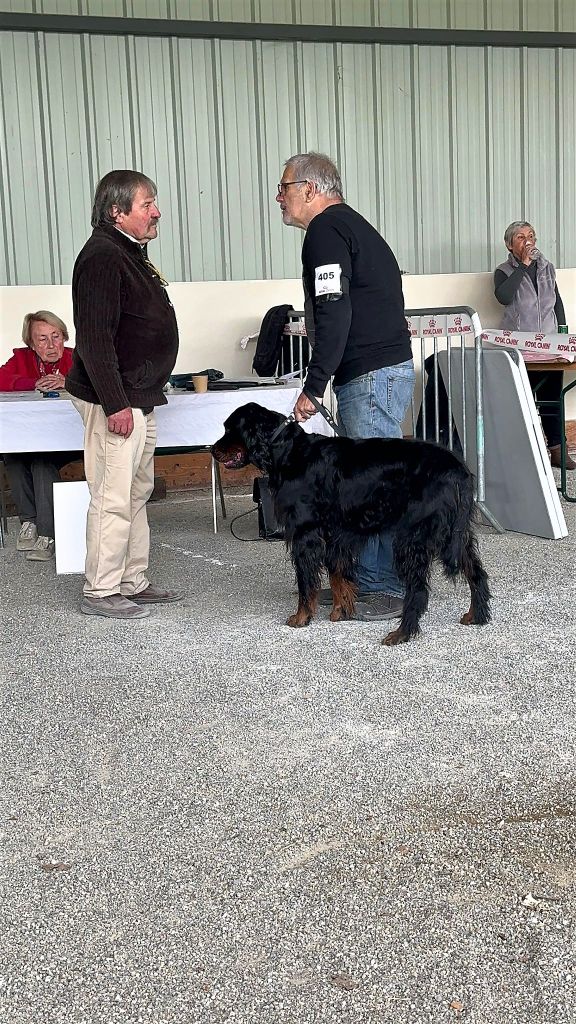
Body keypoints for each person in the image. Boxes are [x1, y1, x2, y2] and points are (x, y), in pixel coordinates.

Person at [276, 152, 415, 621]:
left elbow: (334, 310)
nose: (279, 197)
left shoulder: (326, 232)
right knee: (375, 481)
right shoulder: (353, 226)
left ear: (311, 189)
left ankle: (380, 586)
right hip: (381, 371)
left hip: (371, 376)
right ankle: (378, 581)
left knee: (369, 488)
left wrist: (313, 387)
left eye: (285, 187)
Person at [66, 169, 182, 619]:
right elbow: (94, 340)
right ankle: (101, 591)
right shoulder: (102, 257)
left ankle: (131, 580)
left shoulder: (128, 252)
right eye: (147, 204)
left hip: (138, 396)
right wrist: (115, 403)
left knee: (136, 492)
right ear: (117, 212)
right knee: (113, 494)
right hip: (115, 400)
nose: (157, 212)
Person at [494, 221, 575, 470]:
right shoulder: (503, 271)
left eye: (531, 236)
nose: (528, 241)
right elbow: (503, 297)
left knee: (553, 398)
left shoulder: (547, 268)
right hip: (521, 348)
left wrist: (562, 332)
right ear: (510, 244)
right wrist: (524, 266)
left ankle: (557, 450)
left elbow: (556, 301)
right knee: (523, 400)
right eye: (521, 237)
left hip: (549, 345)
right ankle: (526, 453)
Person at [0, 311, 79, 561]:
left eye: (56, 336)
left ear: (64, 337)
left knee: (41, 460)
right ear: (31, 344)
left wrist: (69, 382)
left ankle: (47, 534)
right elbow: (1, 377)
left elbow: (97, 382)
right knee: (13, 453)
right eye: (42, 339)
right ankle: (29, 523)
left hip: (72, 438)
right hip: (34, 436)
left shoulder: (77, 358)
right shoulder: (21, 358)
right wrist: (33, 382)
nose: (51, 344)